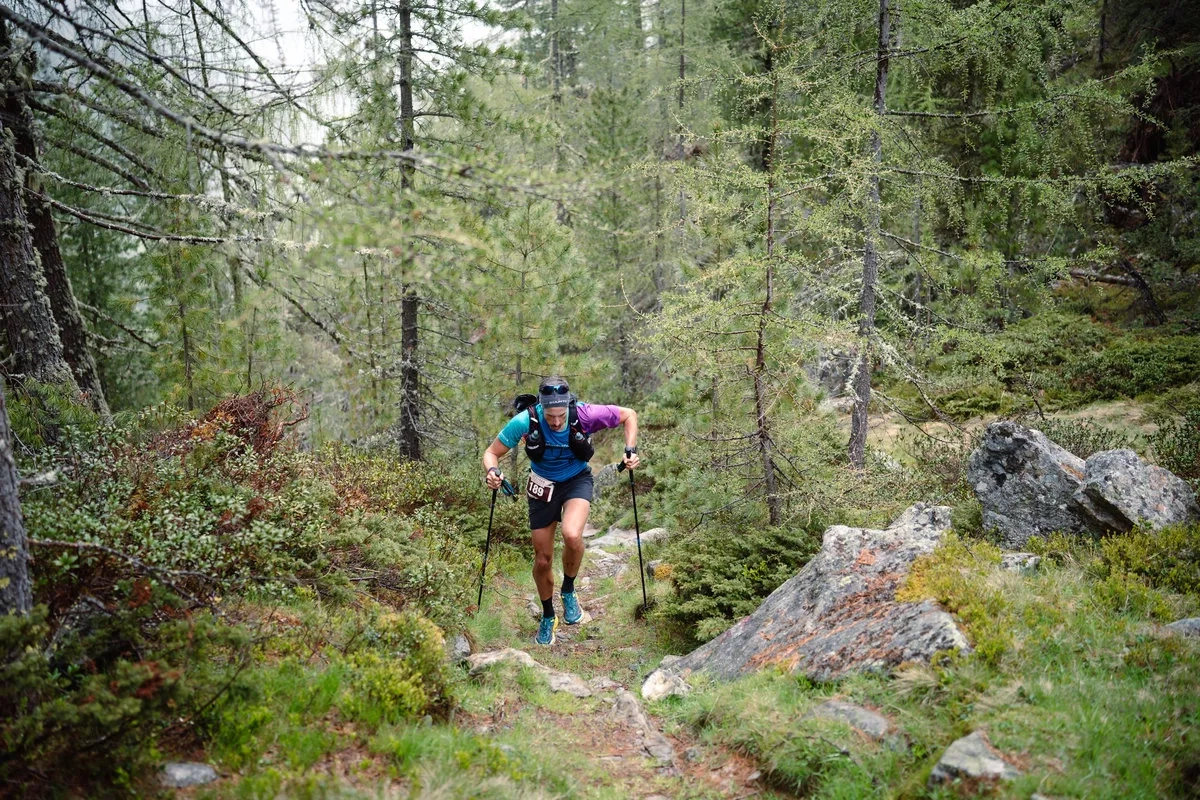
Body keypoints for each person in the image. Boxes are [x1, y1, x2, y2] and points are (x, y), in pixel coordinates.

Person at [483, 377, 640, 645]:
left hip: (576, 480)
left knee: (571, 534)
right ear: (542, 408)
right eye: (550, 416)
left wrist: (630, 450)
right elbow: (491, 453)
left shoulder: (584, 414)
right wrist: (492, 472)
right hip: (542, 486)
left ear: (568, 406)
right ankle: (547, 616)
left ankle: (568, 590)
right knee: (542, 559)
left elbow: (629, 415)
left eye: (560, 415)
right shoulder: (525, 421)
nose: (556, 422)